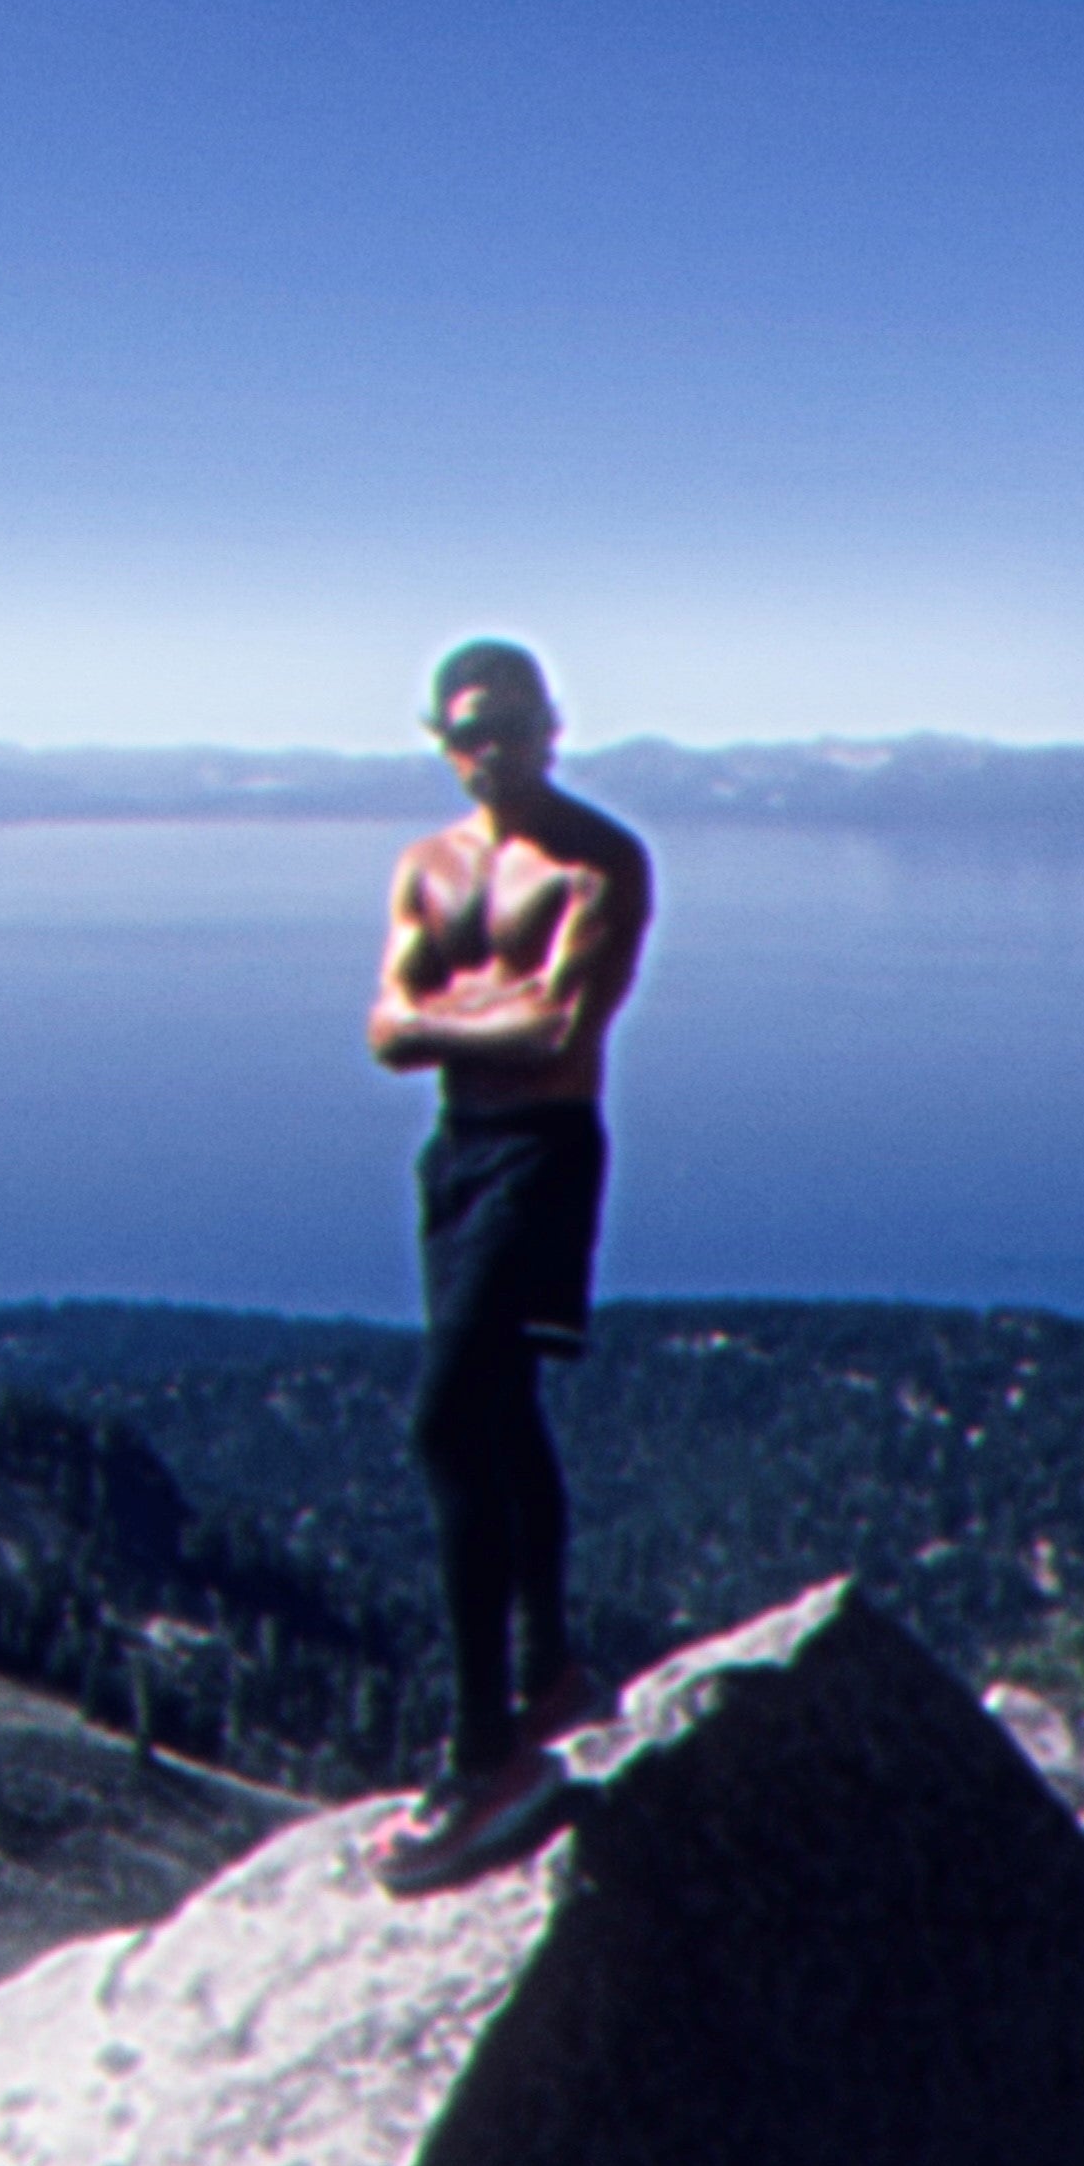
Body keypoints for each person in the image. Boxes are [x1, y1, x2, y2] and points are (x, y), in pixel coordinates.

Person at [365, 639, 652, 1896]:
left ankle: (486, 1752)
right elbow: (383, 1032)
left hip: (543, 1150)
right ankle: (550, 1671)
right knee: (504, 1405)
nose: (494, 746)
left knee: (445, 1423)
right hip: (459, 1151)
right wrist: (474, 1014)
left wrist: (445, 1015)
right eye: (470, 729)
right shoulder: (425, 865)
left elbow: (558, 1027)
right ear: (442, 738)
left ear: (553, 722)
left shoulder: (601, 860)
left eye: (515, 722)